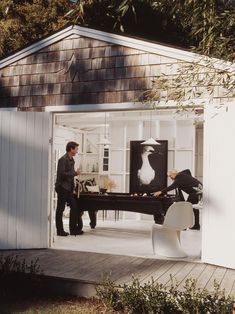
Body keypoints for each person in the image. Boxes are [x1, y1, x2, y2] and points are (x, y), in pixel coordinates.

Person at [55, 141, 83, 236]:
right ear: (71, 149)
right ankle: (60, 231)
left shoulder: (72, 160)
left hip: (68, 188)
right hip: (62, 188)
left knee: (75, 207)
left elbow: (70, 176)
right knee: (60, 209)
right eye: (76, 149)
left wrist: (73, 187)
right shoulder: (63, 160)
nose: (77, 151)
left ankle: (73, 230)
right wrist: (75, 173)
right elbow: (62, 174)